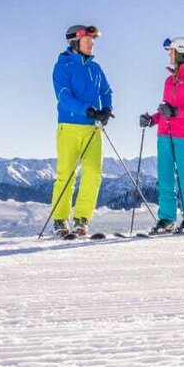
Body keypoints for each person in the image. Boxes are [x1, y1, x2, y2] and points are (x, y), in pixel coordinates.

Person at [139, 37, 184, 235]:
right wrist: (152, 120)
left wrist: (176, 112)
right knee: (165, 178)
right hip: (164, 134)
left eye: (171, 52)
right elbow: (165, 110)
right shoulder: (169, 80)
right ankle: (167, 219)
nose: (169, 55)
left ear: (182, 53)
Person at [51, 25, 114, 237]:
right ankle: (60, 220)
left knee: (93, 173)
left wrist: (106, 109)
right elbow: (64, 96)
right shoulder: (63, 66)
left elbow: (106, 91)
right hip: (69, 127)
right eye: (88, 41)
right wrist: (87, 110)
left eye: (93, 41)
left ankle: (82, 218)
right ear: (75, 43)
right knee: (66, 174)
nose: (92, 44)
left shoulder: (95, 68)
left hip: (92, 128)